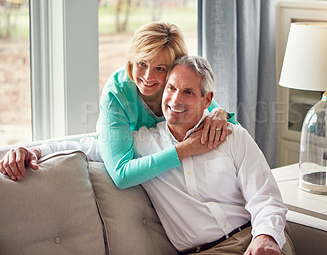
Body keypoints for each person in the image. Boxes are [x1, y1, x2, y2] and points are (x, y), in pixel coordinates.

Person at [2, 56, 293, 255]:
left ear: (208, 99)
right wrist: (31, 149)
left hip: (257, 238)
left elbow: (266, 198)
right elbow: (87, 143)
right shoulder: (142, 143)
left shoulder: (231, 135)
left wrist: (265, 237)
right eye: (171, 88)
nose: (176, 100)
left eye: (188, 92)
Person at [0, 22, 237, 183]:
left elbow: (222, 118)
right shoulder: (118, 93)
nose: (148, 77)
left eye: (160, 68)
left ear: (174, 69)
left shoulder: (178, 91)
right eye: (141, 64)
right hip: (137, 158)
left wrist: (221, 114)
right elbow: (119, 171)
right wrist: (36, 150)